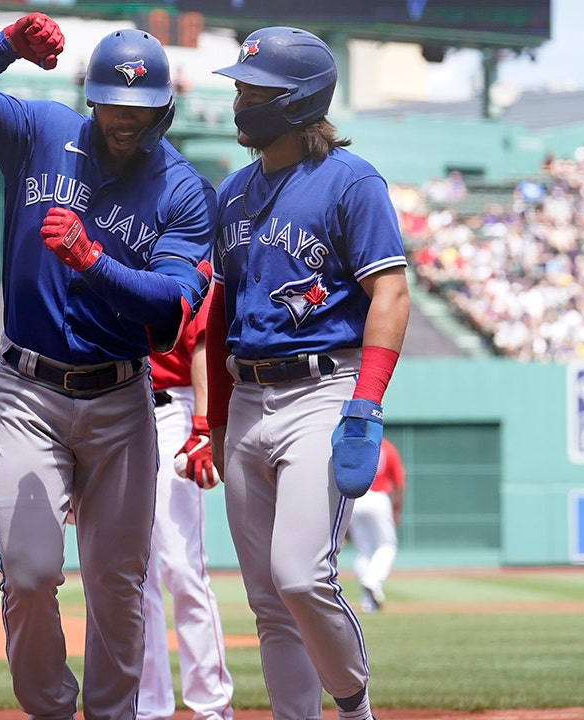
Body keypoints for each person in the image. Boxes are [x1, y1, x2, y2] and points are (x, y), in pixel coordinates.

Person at [0, 15, 215, 720]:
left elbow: (172, 310)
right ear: (92, 99)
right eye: (113, 103)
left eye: (140, 107)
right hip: (26, 391)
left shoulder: (183, 190)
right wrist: (2, 48)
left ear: (164, 108)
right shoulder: (42, 131)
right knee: (29, 575)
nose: (124, 119)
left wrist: (94, 261)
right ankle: (50, 710)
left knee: (119, 585)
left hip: (121, 397)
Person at [205, 27, 410, 720]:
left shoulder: (352, 182)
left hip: (323, 390)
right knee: (268, 600)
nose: (238, 100)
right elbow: (220, 312)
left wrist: (365, 403)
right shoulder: (232, 193)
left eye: (251, 90)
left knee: (300, 576)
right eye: (240, 87)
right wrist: (214, 419)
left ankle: (353, 708)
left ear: (295, 101)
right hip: (246, 396)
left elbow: (391, 293)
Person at [139, 291, 234, 720]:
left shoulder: (185, 255)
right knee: (133, 576)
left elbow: (202, 342)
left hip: (172, 408)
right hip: (118, 404)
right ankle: (147, 707)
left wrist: (202, 425)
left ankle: (211, 706)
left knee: (182, 566)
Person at [349, 437, 405, 613]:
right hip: (378, 497)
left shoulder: (355, 445)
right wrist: (397, 508)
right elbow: (399, 482)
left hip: (355, 498)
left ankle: (369, 603)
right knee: (387, 546)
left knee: (363, 551)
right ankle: (372, 581)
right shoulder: (387, 447)